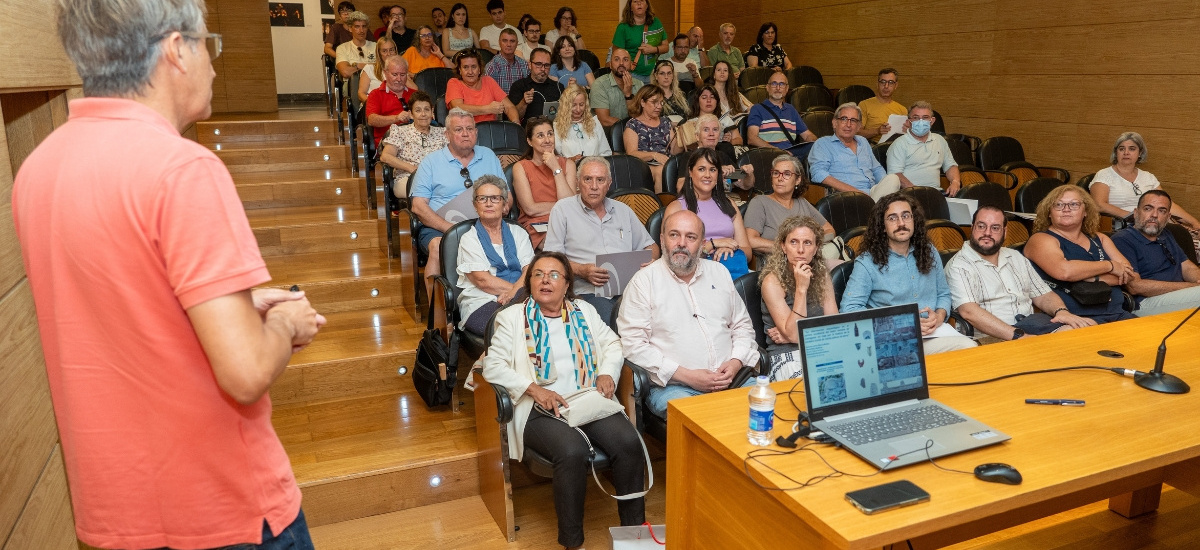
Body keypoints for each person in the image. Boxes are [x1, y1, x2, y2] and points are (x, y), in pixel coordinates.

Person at [15, 1, 326, 547]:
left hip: (117, 505)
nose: (212, 60)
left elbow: (122, 311)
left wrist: (236, 310)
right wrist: (285, 326)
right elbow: (246, 372)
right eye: (209, 43)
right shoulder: (182, 168)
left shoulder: (38, 166)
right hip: (219, 504)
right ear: (176, 49)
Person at [480, 251, 645, 550]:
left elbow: (612, 343)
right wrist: (533, 388)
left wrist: (607, 372)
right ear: (529, 282)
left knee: (629, 443)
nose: (545, 280)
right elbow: (493, 366)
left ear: (567, 284)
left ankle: (634, 537)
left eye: (554, 274)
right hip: (541, 408)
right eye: (538, 274)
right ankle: (573, 543)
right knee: (571, 451)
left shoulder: (584, 311)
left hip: (588, 398)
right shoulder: (512, 318)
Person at [618, 210, 760, 420]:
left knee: (768, 409)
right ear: (662, 239)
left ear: (702, 243)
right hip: (675, 388)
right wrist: (688, 376)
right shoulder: (643, 282)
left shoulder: (719, 273)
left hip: (734, 379)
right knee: (709, 421)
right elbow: (633, 346)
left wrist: (736, 362)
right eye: (674, 235)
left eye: (690, 237)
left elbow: (742, 326)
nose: (681, 243)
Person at [840, 193, 978, 353]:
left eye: (906, 216)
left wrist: (939, 316)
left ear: (914, 220)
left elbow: (943, 294)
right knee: (965, 349)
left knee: (970, 351)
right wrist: (902, 323)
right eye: (892, 218)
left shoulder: (929, 251)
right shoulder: (867, 262)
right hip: (892, 339)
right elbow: (849, 309)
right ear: (882, 226)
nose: (901, 223)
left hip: (933, 333)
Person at [946, 206, 1096, 342]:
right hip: (992, 337)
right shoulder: (959, 265)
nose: (987, 233)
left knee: (1085, 329)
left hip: (1032, 326)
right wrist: (1019, 336)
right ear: (972, 228)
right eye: (981, 226)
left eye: (995, 228)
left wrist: (1062, 312)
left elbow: (1043, 295)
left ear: (1005, 232)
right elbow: (969, 313)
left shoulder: (1015, 256)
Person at [545, 157, 659, 321]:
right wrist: (581, 270)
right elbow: (551, 260)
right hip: (587, 292)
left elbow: (651, 246)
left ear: (609, 183)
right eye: (587, 179)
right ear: (577, 182)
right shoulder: (563, 209)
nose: (594, 186)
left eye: (600, 180)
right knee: (616, 322)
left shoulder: (623, 210)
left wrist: (651, 260)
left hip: (630, 289)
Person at [410, 108, 505, 284]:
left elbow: (507, 196)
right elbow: (418, 206)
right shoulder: (430, 162)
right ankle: (436, 308)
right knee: (438, 247)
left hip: (486, 223)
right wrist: (450, 229)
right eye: (458, 130)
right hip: (439, 227)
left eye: (469, 129)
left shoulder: (489, 156)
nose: (465, 134)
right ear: (447, 134)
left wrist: (500, 209)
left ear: (476, 133)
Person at [1023, 186, 1139, 323]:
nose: (1066, 209)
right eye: (1058, 205)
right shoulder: (1040, 239)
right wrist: (1111, 266)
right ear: (1049, 212)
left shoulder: (1100, 238)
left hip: (1118, 314)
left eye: (1074, 204)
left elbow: (1131, 276)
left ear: (1085, 211)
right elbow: (1064, 271)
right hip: (1075, 320)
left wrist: (1086, 276)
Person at [758, 216, 838, 380]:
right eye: (793, 242)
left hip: (821, 349)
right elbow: (794, 335)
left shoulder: (822, 276)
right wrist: (802, 288)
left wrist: (801, 335)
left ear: (815, 249)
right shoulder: (772, 281)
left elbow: (834, 328)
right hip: (786, 357)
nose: (800, 250)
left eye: (807, 243)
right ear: (783, 247)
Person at [456, 176, 535, 335]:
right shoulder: (469, 239)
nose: (488, 203)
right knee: (513, 329)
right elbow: (483, 280)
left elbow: (530, 271)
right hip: (481, 302)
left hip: (522, 297)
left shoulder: (518, 232)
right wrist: (519, 293)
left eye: (495, 198)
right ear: (475, 205)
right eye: (482, 198)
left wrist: (513, 295)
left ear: (505, 205)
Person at [665, 148, 752, 278]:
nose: (707, 175)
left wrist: (731, 249)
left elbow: (748, 252)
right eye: (701, 169)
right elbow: (673, 256)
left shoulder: (729, 204)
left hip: (730, 269)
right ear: (690, 172)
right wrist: (712, 245)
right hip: (693, 274)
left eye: (712, 170)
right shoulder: (676, 208)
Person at [1112, 190, 1200, 317]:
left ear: (1168, 217)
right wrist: (1190, 287)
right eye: (1148, 209)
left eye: (1162, 211)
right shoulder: (1123, 240)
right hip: (1144, 303)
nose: (1154, 215)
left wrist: (1197, 279)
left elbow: (1187, 266)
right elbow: (1135, 286)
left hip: (1179, 296)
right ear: (1136, 213)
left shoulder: (1166, 234)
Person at [1090, 132, 1200, 230]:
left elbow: (1167, 204)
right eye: (1121, 148)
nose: (1126, 152)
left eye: (1132, 149)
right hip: (1120, 226)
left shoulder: (1148, 177)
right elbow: (1099, 205)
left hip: (1151, 223)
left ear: (1140, 153)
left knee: (1186, 238)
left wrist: (1194, 222)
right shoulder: (1104, 175)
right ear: (1116, 152)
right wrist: (1136, 217)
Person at [744, 155, 833, 257]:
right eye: (776, 173)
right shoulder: (759, 202)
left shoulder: (802, 202)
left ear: (797, 180)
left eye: (787, 174)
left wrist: (810, 248)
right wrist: (789, 249)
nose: (780, 178)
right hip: (776, 264)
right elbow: (750, 240)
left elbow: (829, 230)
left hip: (809, 260)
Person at [808, 102, 901, 199]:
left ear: (859, 126)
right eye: (844, 119)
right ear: (835, 123)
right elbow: (818, 174)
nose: (848, 124)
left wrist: (885, 187)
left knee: (893, 179)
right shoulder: (823, 144)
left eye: (853, 120)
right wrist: (856, 192)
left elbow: (876, 169)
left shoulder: (863, 142)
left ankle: (877, 206)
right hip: (846, 196)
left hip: (873, 192)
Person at [513, 117, 577, 248]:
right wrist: (561, 206)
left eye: (550, 134)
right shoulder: (521, 167)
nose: (547, 140)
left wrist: (556, 168)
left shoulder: (568, 164)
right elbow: (530, 209)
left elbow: (571, 207)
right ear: (530, 141)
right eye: (540, 136)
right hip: (537, 226)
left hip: (567, 222)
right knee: (559, 243)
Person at [886, 100, 962, 196]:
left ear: (932, 121)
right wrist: (916, 191)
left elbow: (950, 165)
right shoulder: (899, 144)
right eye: (916, 118)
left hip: (937, 193)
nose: (921, 121)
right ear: (908, 122)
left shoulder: (940, 140)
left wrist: (955, 182)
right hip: (909, 195)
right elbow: (895, 175)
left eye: (925, 118)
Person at [380, 91, 447, 197]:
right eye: (418, 110)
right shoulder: (400, 131)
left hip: (438, 178)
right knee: (425, 191)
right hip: (408, 178)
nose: (423, 114)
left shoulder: (443, 132)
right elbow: (386, 157)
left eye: (427, 109)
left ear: (432, 111)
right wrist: (413, 169)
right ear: (411, 114)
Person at [623, 85, 680, 192]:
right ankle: (662, 206)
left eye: (661, 102)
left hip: (665, 162)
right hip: (644, 165)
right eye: (654, 102)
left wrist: (682, 138)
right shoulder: (633, 125)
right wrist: (653, 155)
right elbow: (631, 153)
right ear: (643, 102)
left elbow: (674, 151)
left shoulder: (665, 122)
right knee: (660, 171)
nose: (659, 106)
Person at [673, 114, 753, 191]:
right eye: (706, 130)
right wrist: (716, 173)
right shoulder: (690, 157)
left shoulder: (722, 156)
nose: (711, 134)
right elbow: (680, 187)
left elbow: (745, 185)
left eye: (715, 130)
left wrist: (749, 174)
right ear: (697, 136)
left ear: (719, 135)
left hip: (723, 201)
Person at [748, 69, 815, 156]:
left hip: (791, 153)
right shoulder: (757, 109)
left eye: (782, 84)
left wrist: (817, 145)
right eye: (774, 83)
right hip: (769, 153)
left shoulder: (791, 109)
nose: (778, 88)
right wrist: (777, 151)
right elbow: (752, 138)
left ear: (787, 89)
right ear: (767, 88)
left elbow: (807, 135)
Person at [446, 49, 520, 123]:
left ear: (479, 69)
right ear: (460, 70)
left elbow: (509, 106)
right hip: (465, 131)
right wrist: (488, 109)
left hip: (490, 131)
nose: (470, 72)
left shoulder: (488, 81)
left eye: (474, 67)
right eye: (465, 67)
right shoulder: (454, 83)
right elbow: (458, 109)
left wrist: (516, 122)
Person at [365, 55, 416, 146]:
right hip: (389, 142)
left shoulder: (415, 94)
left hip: (415, 140)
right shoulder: (376, 94)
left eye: (403, 75)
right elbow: (372, 120)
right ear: (385, 73)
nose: (399, 79)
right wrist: (396, 118)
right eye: (395, 74)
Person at [611, 0, 666, 84]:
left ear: (647, 5)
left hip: (652, 74)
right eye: (635, 1)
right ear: (630, 7)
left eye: (642, 1)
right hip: (632, 74)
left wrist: (653, 49)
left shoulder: (656, 23)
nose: (639, 4)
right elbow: (616, 53)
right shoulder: (623, 27)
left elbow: (666, 47)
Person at [554, 84, 612, 160]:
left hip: (594, 168)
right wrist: (570, 160)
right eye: (573, 105)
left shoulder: (594, 122)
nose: (578, 109)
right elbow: (557, 158)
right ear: (566, 105)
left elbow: (606, 152)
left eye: (581, 104)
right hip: (571, 170)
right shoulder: (557, 125)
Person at [591, 48, 643, 126]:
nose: (621, 63)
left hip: (634, 133)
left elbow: (640, 117)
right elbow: (604, 120)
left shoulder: (640, 85)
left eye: (625, 60)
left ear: (631, 65)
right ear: (611, 65)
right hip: (607, 134)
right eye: (616, 59)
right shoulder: (599, 84)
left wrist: (628, 95)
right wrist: (630, 128)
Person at [509, 47, 561, 123]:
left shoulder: (558, 87)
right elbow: (514, 118)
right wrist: (523, 102)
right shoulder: (519, 86)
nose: (543, 69)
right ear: (530, 65)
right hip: (527, 132)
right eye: (538, 64)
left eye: (547, 65)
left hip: (552, 131)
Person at [858, 68, 907, 143]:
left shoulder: (902, 109)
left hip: (895, 147)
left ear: (896, 85)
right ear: (877, 84)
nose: (886, 86)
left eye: (890, 82)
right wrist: (877, 131)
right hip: (872, 146)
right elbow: (857, 132)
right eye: (883, 82)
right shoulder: (864, 105)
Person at [484, 28, 529, 93]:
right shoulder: (492, 66)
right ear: (499, 42)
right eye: (505, 41)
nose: (508, 45)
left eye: (512, 41)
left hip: (521, 101)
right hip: (500, 102)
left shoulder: (524, 64)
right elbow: (487, 92)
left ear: (517, 44)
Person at [707, 60, 751, 124]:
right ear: (714, 75)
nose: (722, 72)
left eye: (725, 70)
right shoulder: (708, 93)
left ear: (728, 74)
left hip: (736, 127)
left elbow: (752, 108)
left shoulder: (735, 93)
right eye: (719, 70)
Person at [334, 11, 376, 78]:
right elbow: (346, 72)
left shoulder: (376, 46)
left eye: (364, 26)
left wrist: (357, 65)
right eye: (357, 27)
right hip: (353, 85)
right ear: (350, 28)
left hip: (374, 84)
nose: (361, 30)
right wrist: (372, 66)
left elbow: (384, 69)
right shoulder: (342, 48)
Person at [358, 36, 397, 103]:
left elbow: (414, 89)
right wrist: (373, 104)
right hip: (372, 106)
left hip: (393, 106)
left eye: (391, 50)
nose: (389, 54)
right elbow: (361, 94)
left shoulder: (401, 69)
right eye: (384, 51)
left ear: (395, 51)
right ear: (379, 53)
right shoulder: (369, 68)